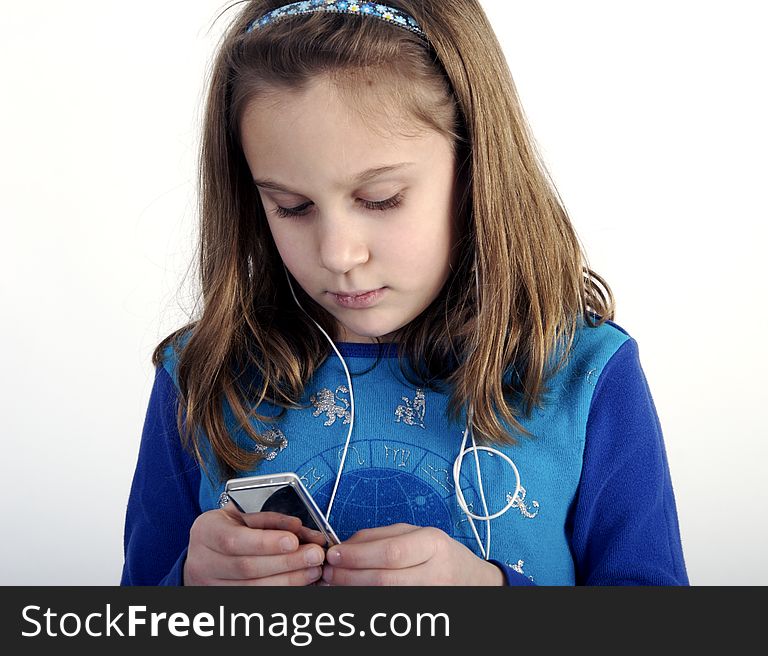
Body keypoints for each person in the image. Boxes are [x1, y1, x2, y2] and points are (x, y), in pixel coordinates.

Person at [121, 0, 689, 587]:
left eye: (382, 198)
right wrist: (187, 589)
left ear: (475, 169)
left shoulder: (583, 374)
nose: (339, 254)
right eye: (291, 207)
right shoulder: (202, 374)